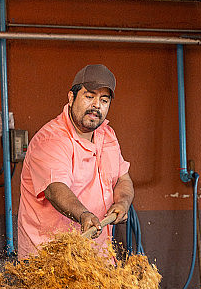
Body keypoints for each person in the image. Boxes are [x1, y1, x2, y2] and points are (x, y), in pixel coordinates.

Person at [17, 63, 134, 259]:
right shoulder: (51, 139)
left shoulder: (107, 134)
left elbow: (123, 179)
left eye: (104, 100)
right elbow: (55, 189)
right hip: (50, 260)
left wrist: (122, 203)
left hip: (96, 258)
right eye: (89, 97)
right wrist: (83, 215)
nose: (97, 105)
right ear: (71, 98)